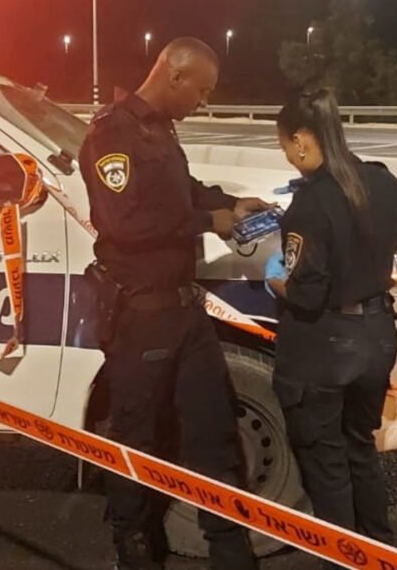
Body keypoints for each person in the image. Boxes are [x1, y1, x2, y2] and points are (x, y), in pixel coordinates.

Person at [79, 37, 268, 570]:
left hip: (185, 313)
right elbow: (124, 223)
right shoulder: (111, 133)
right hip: (142, 316)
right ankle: (134, 549)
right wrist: (209, 222)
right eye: (201, 91)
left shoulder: (159, 130)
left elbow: (183, 190)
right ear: (174, 75)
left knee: (215, 433)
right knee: (137, 438)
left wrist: (231, 204)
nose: (203, 102)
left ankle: (230, 551)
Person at [264, 89, 397, 567]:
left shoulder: (309, 205)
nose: (288, 155)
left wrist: (277, 280)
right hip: (377, 334)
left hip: (325, 347)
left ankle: (342, 559)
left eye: (285, 145)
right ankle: (380, 550)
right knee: (359, 448)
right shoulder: (386, 183)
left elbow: (307, 293)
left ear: (301, 140)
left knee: (325, 465)